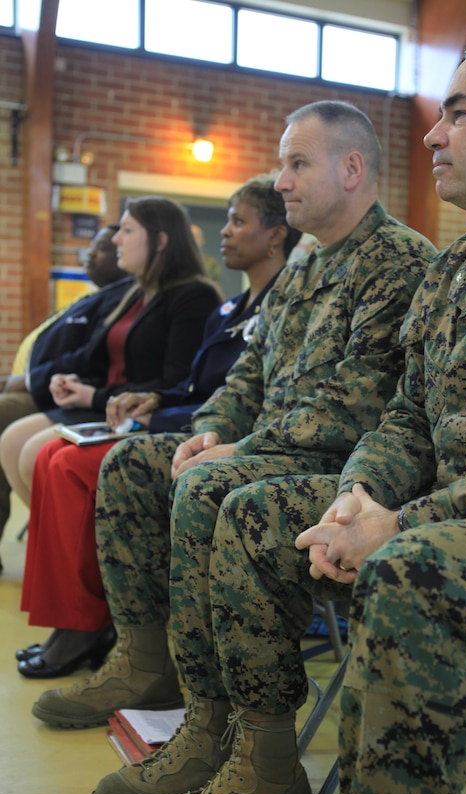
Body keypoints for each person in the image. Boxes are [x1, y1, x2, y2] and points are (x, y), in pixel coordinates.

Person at [145, 37, 466, 794]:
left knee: (413, 570)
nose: (432, 134)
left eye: (458, 112)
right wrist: (361, 496)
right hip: (454, 515)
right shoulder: (458, 271)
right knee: (258, 512)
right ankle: (263, 770)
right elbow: (407, 418)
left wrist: (402, 524)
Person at [31, 100, 436, 794]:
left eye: (297, 163)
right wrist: (213, 426)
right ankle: (152, 669)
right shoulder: (308, 262)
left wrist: (239, 451)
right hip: (272, 450)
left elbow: (360, 403)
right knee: (133, 463)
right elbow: (249, 374)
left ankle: (252, 751)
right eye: (281, 164)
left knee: (213, 486)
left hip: (341, 471)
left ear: (352, 170)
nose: (280, 181)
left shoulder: (401, 263)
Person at [16, 173, 302, 678]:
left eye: (239, 221)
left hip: (226, 433)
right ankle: (74, 621)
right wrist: (150, 400)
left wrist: (152, 411)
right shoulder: (229, 309)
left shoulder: (286, 302)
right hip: (188, 418)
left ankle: (94, 624)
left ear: (276, 234)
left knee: (69, 465)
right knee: (52, 456)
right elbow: (191, 385)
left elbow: (245, 399)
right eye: (227, 219)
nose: (224, 232)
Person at [0, 195, 222, 511]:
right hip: (103, 401)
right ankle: (54, 547)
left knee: (33, 453)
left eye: (128, 230)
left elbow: (176, 382)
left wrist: (93, 396)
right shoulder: (136, 291)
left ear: (159, 241)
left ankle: (77, 549)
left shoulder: (193, 296)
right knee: (11, 442)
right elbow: (99, 355)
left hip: (129, 411)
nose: (117, 237)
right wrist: (70, 380)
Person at [0, 225, 133, 570]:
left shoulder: (124, 298)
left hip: (68, 393)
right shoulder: (94, 296)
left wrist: (30, 381)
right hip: (56, 388)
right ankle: (58, 553)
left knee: (7, 420)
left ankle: (71, 558)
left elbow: (87, 358)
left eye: (104, 246)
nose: (90, 252)